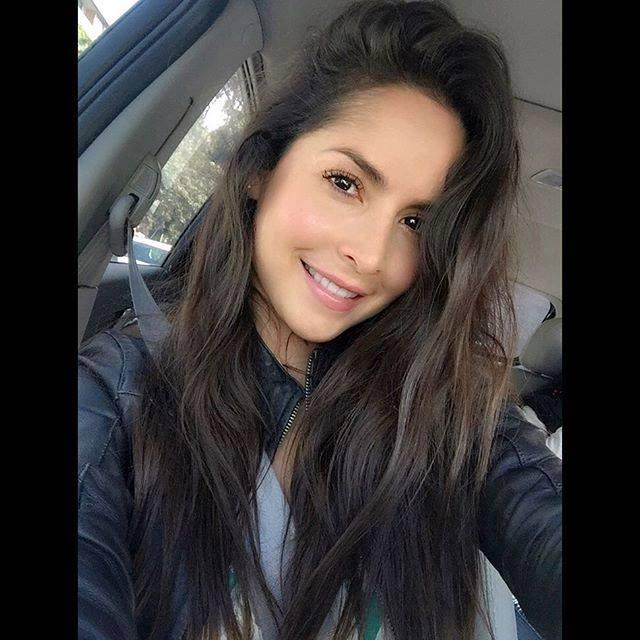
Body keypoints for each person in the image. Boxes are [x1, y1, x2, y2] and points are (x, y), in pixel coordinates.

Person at [78, 2, 562, 639]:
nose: (374, 255)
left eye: (415, 222)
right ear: (262, 171)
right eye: (345, 182)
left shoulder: (441, 407)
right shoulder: (117, 394)